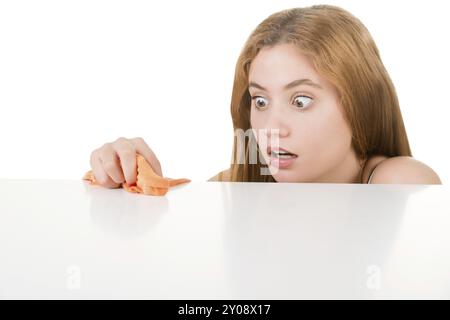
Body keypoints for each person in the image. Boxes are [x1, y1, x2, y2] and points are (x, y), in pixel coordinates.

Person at [88, 5, 442, 188]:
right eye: (260, 101)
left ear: (359, 103)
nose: (272, 127)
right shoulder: (241, 185)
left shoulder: (398, 180)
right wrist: (124, 175)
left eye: (300, 100)